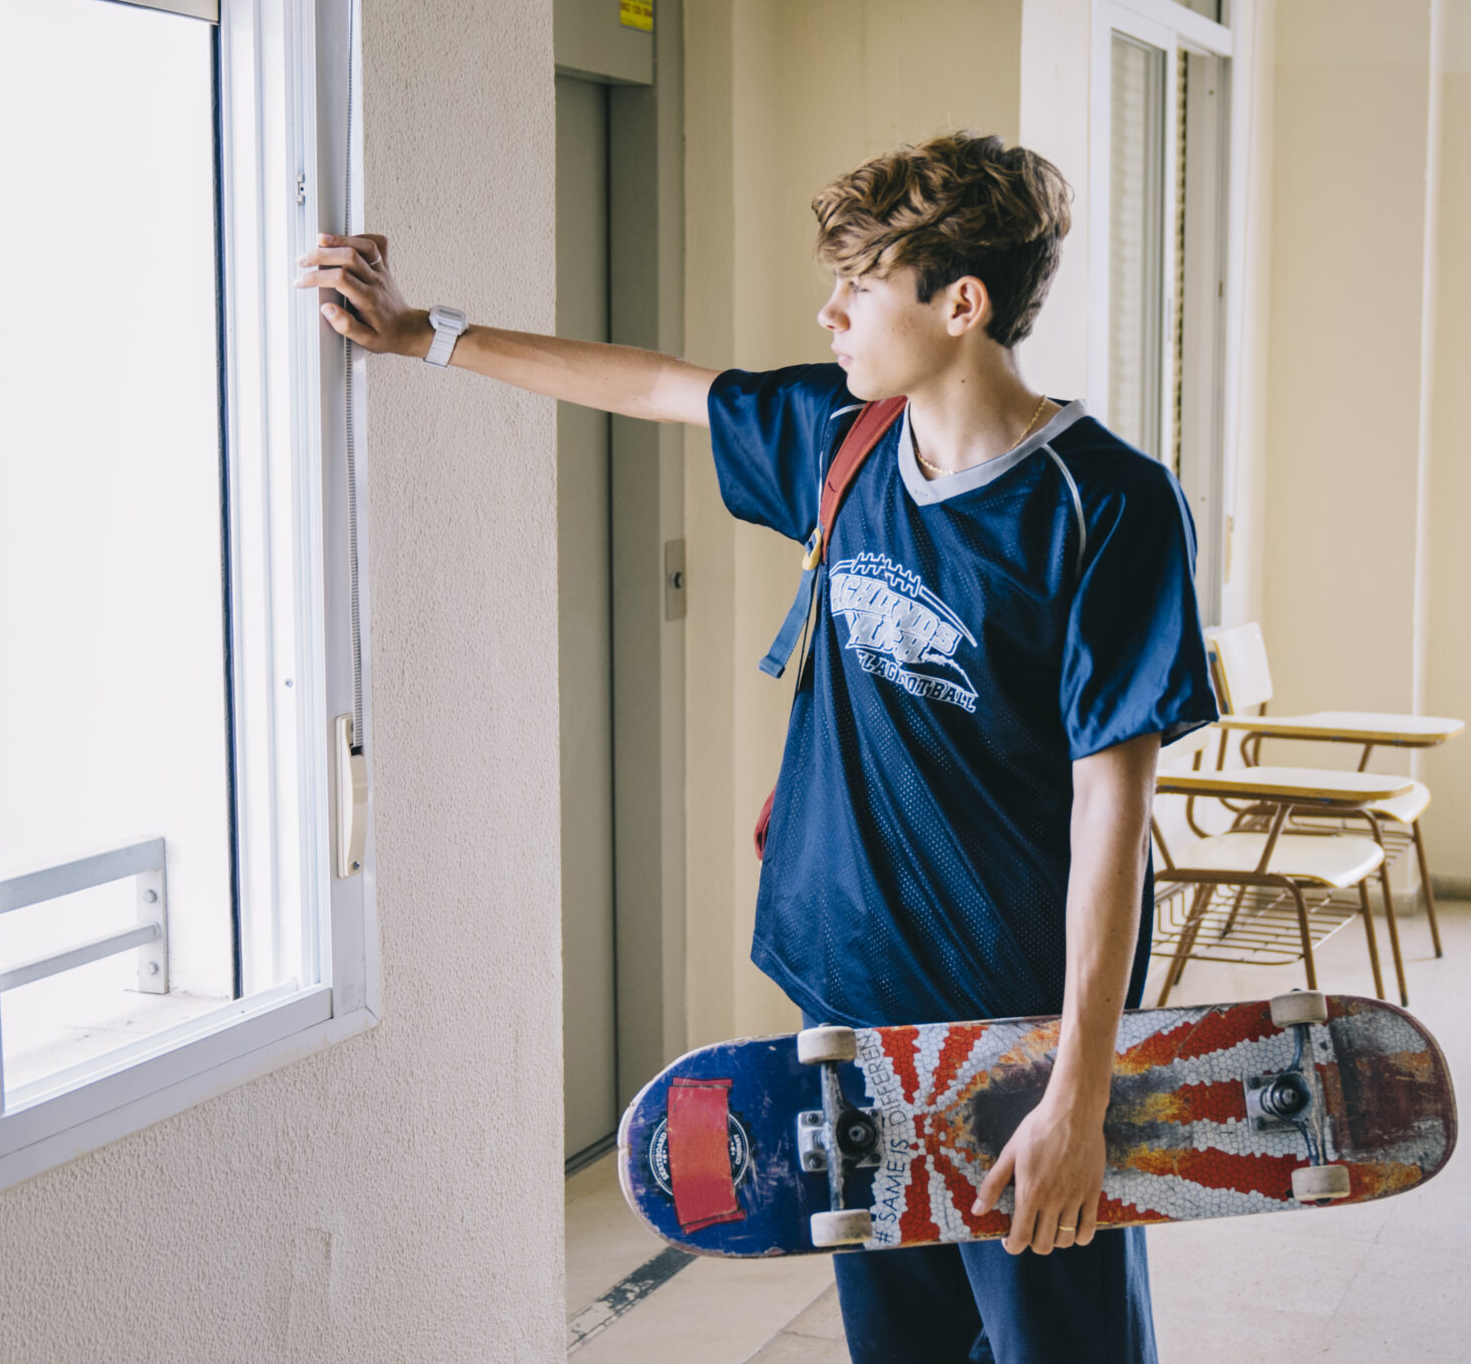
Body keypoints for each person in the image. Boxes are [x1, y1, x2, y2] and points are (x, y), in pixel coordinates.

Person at [299, 131, 1214, 1364]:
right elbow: (657, 385)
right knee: (897, 1346)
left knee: (1062, 1347)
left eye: (860, 283)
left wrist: (1079, 1090)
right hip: (837, 996)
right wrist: (425, 335)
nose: (827, 310)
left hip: (1011, 1031)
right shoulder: (842, 442)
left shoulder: (1105, 504)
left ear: (960, 303)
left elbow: (1114, 807)